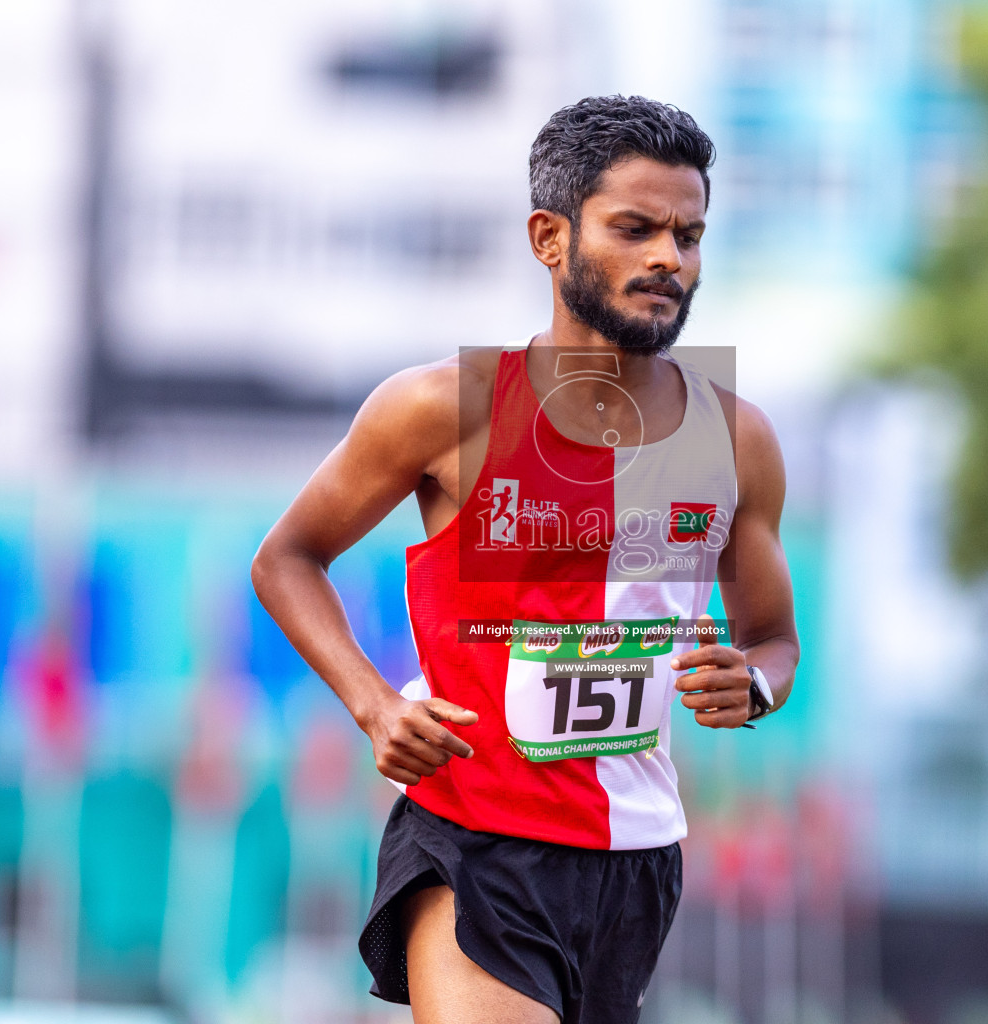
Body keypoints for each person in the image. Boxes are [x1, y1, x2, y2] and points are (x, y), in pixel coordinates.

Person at [252, 94, 799, 1024]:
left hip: (637, 856)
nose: (671, 259)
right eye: (636, 228)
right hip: (472, 841)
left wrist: (752, 684)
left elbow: (776, 639)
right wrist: (374, 703)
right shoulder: (444, 409)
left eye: (690, 235)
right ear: (550, 237)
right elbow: (289, 558)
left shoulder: (738, 437)